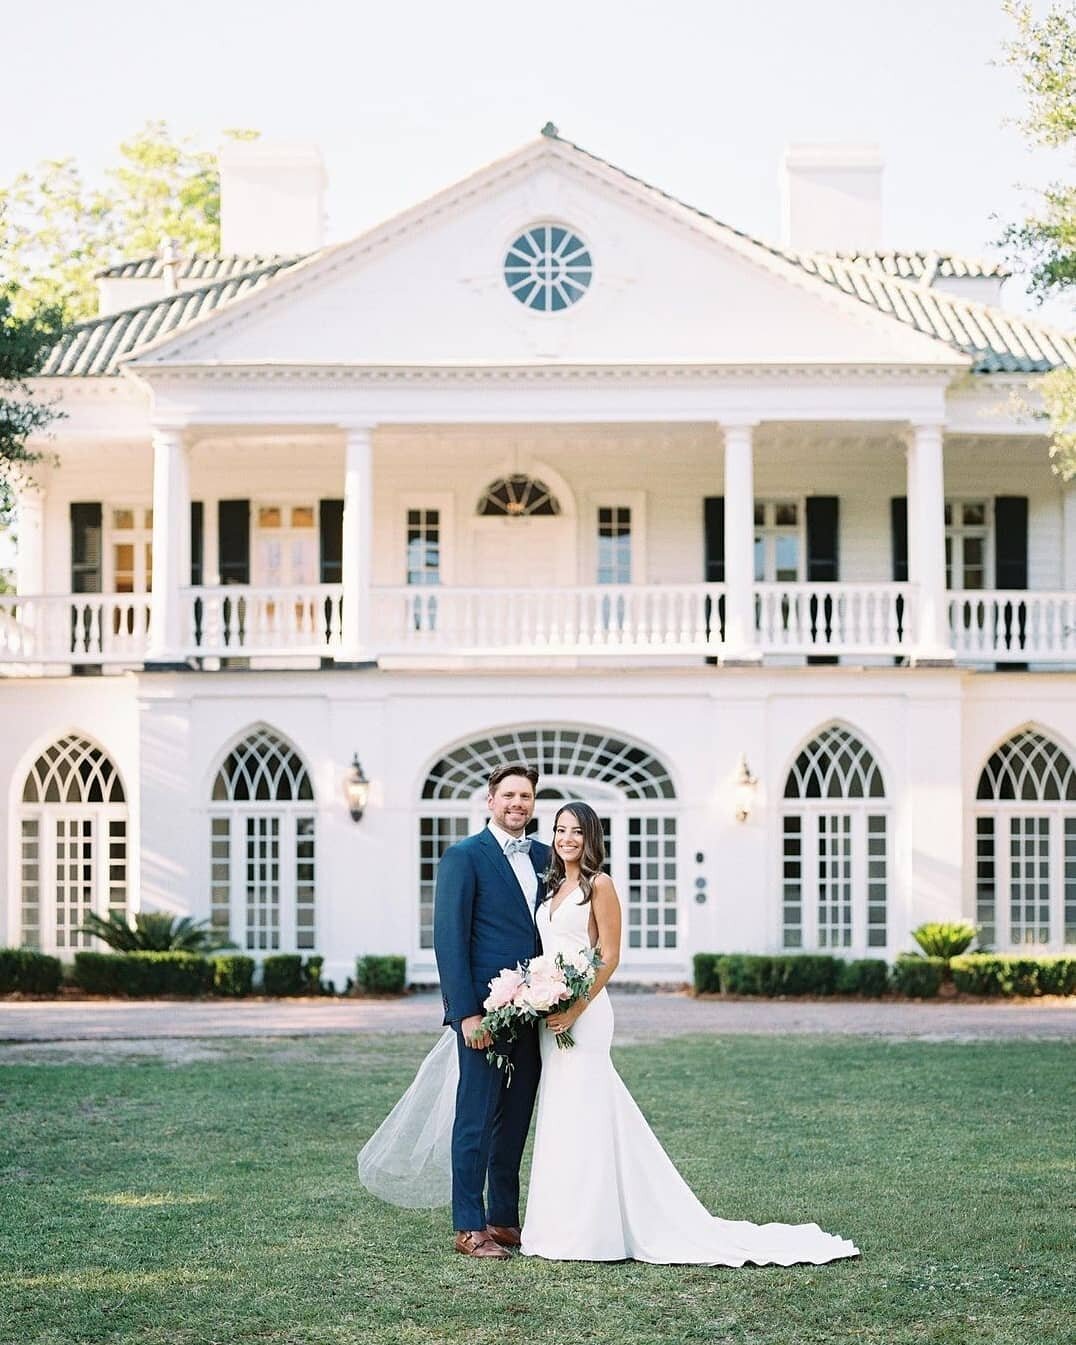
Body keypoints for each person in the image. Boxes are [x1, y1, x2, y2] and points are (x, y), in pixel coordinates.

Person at [520, 800, 858, 1266]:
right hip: (551, 1013)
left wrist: (576, 1007)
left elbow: (610, 955)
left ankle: (593, 1233)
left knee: (587, 1108)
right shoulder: (555, 885)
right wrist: (542, 993)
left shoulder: (601, 885)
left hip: (587, 1012)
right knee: (562, 1113)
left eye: (576, 831)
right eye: (560, 830)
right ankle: (558, 1226)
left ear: (591, 836)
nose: (566, 839)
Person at [431, 763, 549, 1260]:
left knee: (517, 1117)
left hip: (536, 1010)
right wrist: (465, 1014)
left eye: (525, 796)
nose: (517, 804)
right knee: (475, 1117)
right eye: (509, 796)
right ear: (490, 800)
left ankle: (503, 1219)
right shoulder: (464, 857)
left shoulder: (546, 856)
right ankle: (468, 1225)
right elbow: (449, 941)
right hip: (484, 1012)